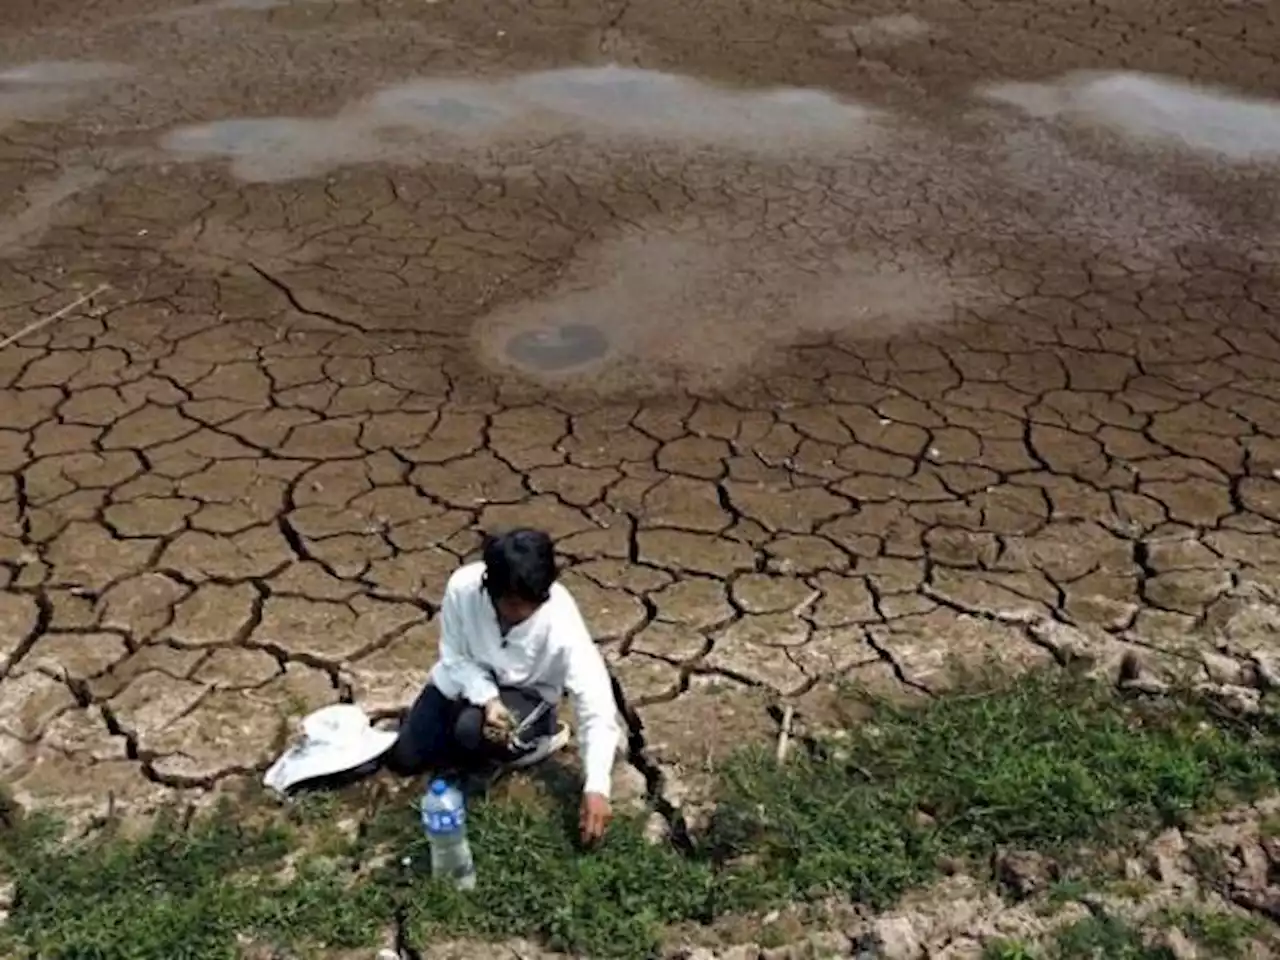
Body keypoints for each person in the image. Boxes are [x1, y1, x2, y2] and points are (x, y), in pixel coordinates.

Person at [390, 528, 621, 845]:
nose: (522, 613)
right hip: (466, 679)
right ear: (491, 589)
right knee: (406, 757)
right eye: (512, 604)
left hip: (528, 691)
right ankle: (472, 735)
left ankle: (544, 735)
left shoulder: (562, 623)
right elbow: (454, 657)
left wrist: (597, 786)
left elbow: (596, 705)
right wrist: (487, 697)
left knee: (470, 731)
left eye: (532, 604)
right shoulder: (463, 589)